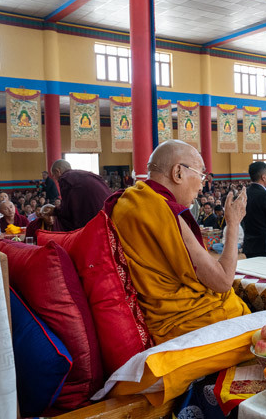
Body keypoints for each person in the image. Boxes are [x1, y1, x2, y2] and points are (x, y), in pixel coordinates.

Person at [105, 140, 250, 343]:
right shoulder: (163, 212)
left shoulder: (127, 201)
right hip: (187, 323)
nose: (201, 186)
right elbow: (223, 282)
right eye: (200, 175)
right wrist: (233, 224)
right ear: (178, 173)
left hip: (155, 315)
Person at [50, 159, 113, 231]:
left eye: (53, 175)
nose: (54, 178)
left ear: (58, 171)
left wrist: (54, 211)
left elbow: (66, 209)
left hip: (98, 219)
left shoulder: (65, 178)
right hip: (110, 212)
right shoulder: (85, 174)